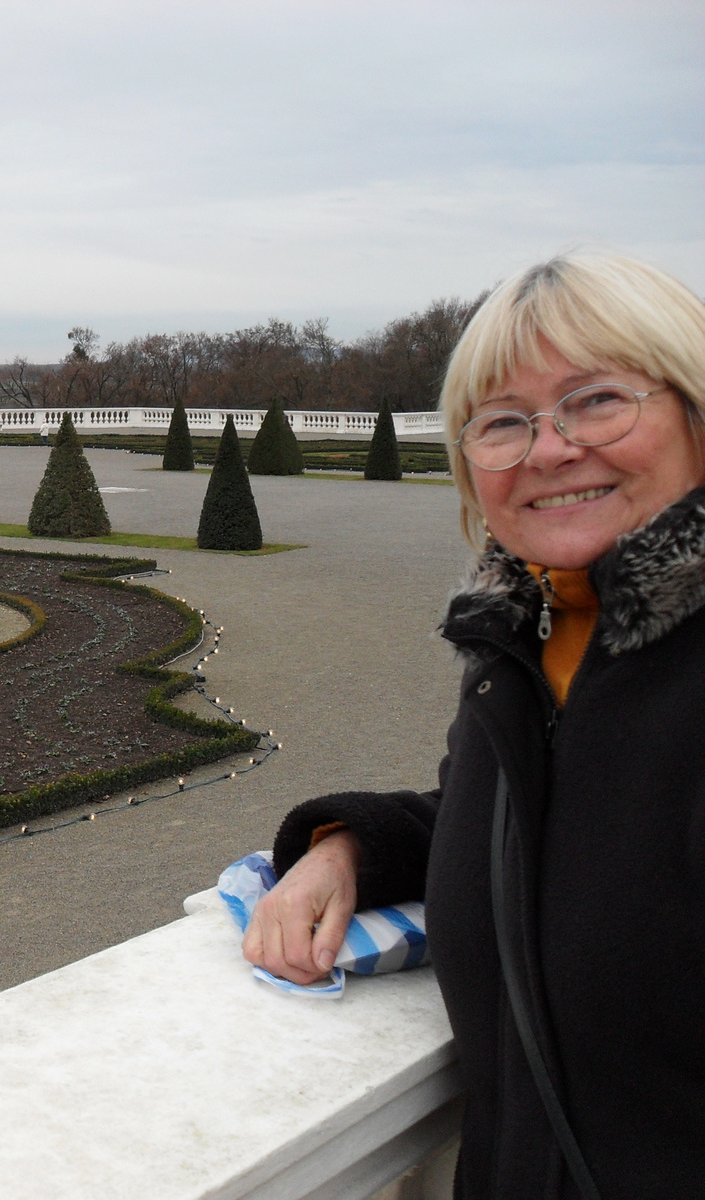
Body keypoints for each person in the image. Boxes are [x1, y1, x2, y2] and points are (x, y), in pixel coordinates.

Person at [242, 253, 705, 1198]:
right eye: (502, 423)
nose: (548, 449)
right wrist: (345, 849)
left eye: (598, 400)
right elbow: (547, 816)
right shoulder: (532, 648)